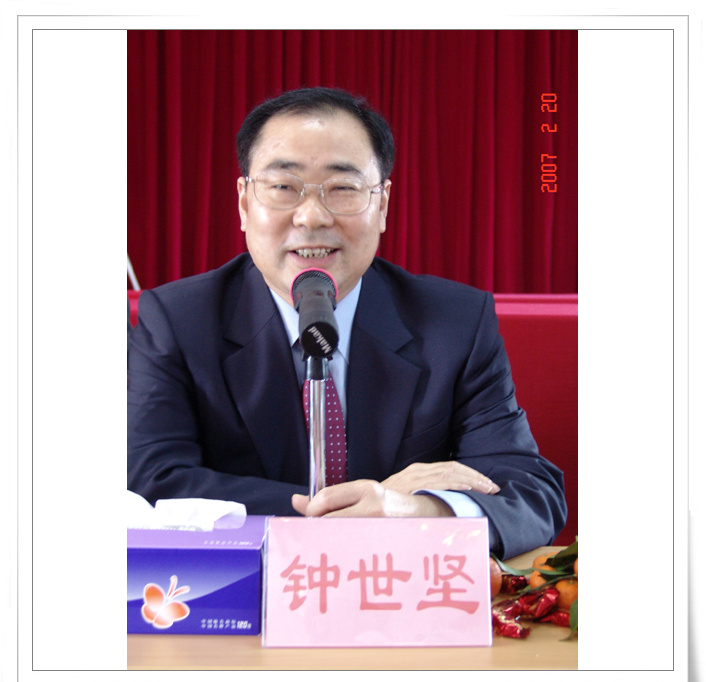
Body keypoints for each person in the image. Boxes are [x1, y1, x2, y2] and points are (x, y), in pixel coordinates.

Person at [127, 87, 567, 558]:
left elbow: (530, 494)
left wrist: (416, 509)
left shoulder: (455, 323)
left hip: (398, 591)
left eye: (342, 188)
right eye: (283, 187)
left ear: (382, 205)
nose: (312, 216)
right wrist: (359, 509)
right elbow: (149, 483)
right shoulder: (177, 320)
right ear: (244, 204)